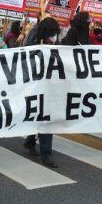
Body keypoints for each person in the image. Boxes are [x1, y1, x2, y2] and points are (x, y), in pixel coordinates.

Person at [23, 17, 62, 167]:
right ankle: (46, 153)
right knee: (41, 115)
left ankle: (32, 142)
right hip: (35, 83)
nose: (54, 37)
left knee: (46, 116)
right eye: (51, 34)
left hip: (49, 82)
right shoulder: (33, 38)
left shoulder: (55, 39)